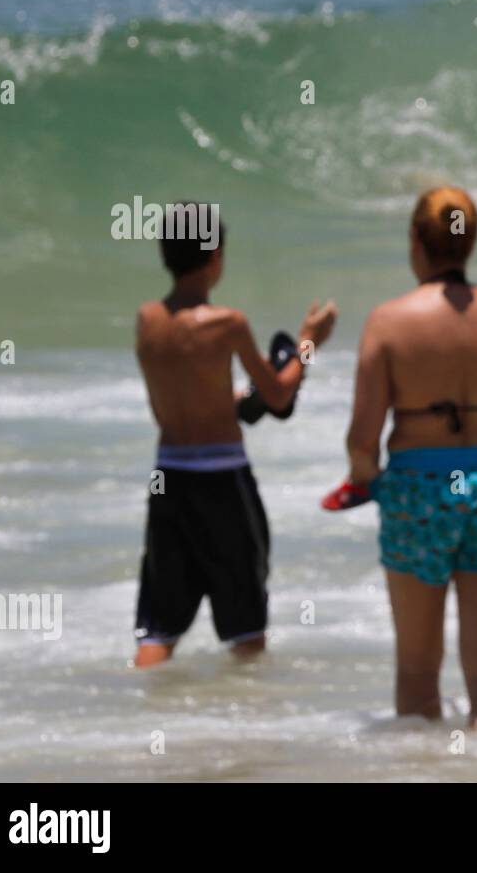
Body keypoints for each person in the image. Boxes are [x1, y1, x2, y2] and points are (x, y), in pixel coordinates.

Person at [339, 186, 477, 731]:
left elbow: (362, 441)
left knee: (415, 670)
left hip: (418, 488)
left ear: (415, 240)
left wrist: (367, 482)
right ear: (471, 240)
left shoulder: (388, 321)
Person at [133, 203, 337, 667]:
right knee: (246, 629)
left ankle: (135, 721)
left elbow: (182, 398)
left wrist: (239, 400)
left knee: (158, 627)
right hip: (222, 481)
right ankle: (246, 727)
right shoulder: (227, 323)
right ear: (215, 256)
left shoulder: (148, 321)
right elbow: (281, 395)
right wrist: (308, 342)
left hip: (168, 479)